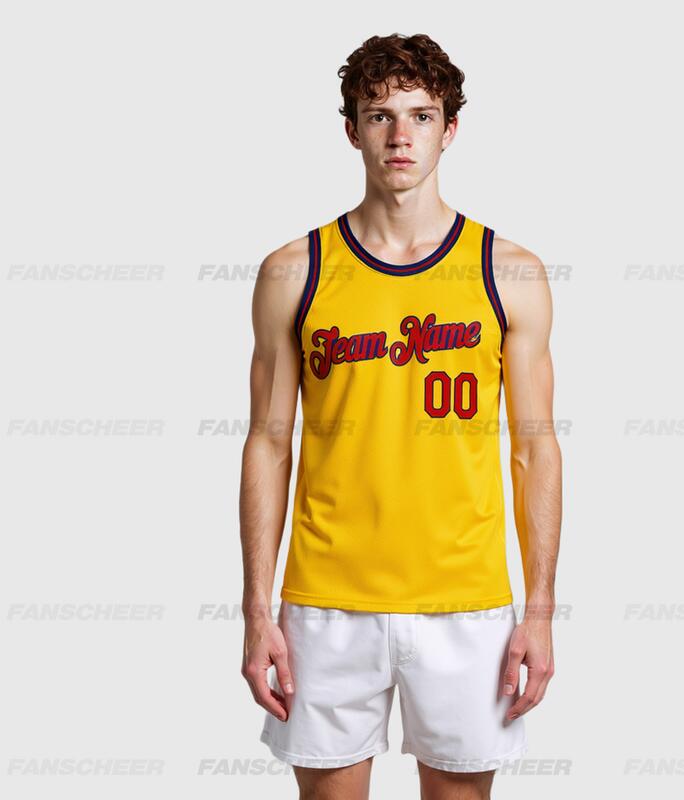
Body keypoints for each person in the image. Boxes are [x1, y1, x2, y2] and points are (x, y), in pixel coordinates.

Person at [239, 32, 562, 800]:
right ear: (352, 130)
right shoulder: (294, 271)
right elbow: (268, 445)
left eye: (421, 116)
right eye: (379, 115)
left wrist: (540, 611)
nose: (400, 136)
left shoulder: (508, 270)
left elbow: (535, 451)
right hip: (326, 602)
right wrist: (256, 610)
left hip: (466, 602)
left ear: (450, 129)